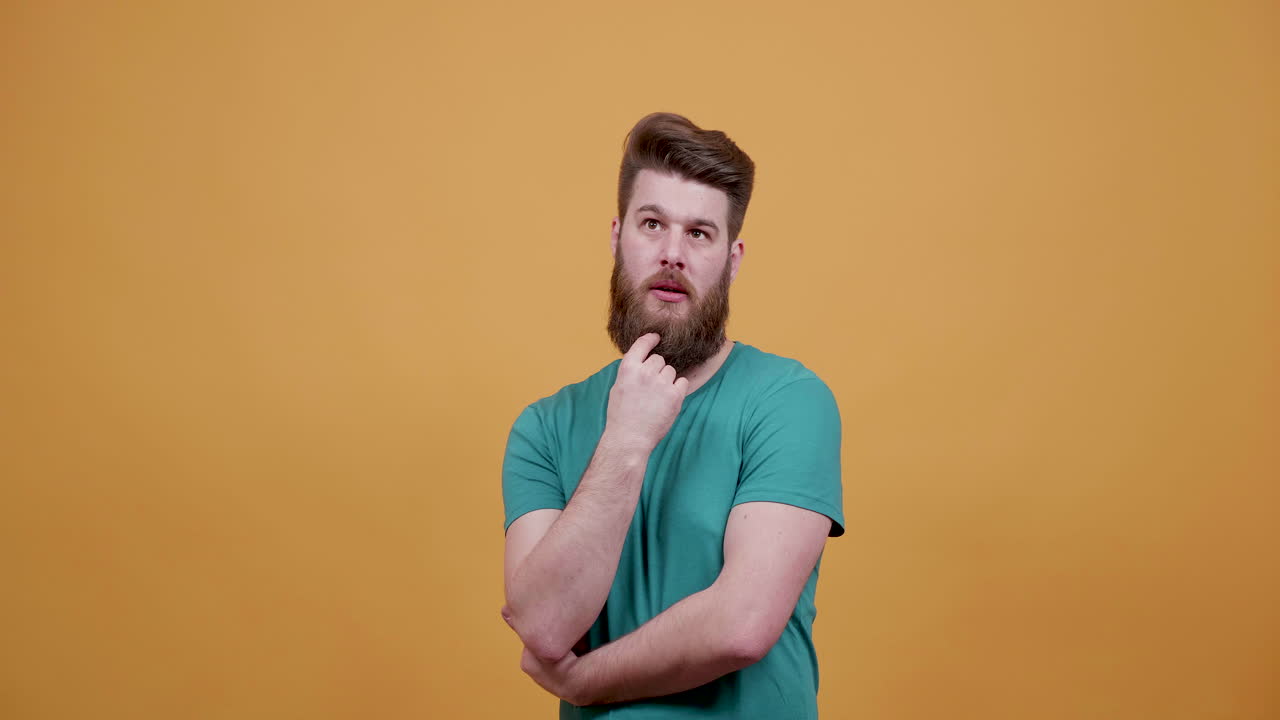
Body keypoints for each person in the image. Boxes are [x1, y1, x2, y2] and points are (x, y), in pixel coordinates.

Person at [500, 112, 845, 719]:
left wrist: (586, 683)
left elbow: (742, 622)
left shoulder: (790, 400)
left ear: (732, 259)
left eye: (699, 233)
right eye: (652, 223)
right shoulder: (544, 428)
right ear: (616, 237)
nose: (672, 255)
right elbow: (542, 624)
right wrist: (627, 440)